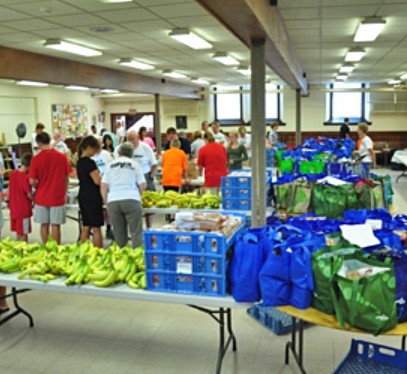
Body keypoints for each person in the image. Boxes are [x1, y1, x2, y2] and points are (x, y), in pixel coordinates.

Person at [29, 132, 71, 244]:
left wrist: (39, 186)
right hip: (57, 195)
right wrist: (65, 192)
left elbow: (32, 181)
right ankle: (55, 250)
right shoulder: (61, 157)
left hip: (41, 196)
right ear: (49, 140)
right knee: (55, 225)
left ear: (38, 143)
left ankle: (46, 248)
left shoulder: (35, 159)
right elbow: (66, 178)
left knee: (44, 224)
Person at [101, 142, 146, 248]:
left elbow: (103, 186)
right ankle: (137, 257)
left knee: (119, 235)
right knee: (136, 233)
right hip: (132, 199)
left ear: (119, 152)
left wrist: (106, 203)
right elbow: (143, 185)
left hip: (114, 200)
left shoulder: (110, 165)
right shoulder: (134, 164)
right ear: (131, 153)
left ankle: (122, 257)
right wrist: (137, 195)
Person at [76, 136, 104, 248]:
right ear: (89, 147)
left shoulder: (79, 162)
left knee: (86, 226)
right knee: (96, 227)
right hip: (92, 196)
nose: (95, 153)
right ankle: (98, 251)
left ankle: (83, 250)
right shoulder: (90, 162)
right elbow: (97, 181)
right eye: (94, 150)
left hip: (83, 194)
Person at [92, 138, 114, 240]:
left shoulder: (106, 154)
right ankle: (95, 228)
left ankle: (109, 228)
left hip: (106, 183)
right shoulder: (91, 155)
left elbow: (111, 168)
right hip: (94, 184)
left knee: (107, 208)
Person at [8, 153, 33, 241]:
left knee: (18, 232)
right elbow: (29, 194)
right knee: (24, 233)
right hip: (23, 209)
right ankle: (24, 252)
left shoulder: (12, 174)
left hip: (14, 208)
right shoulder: (25, 177)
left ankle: (19, 250)